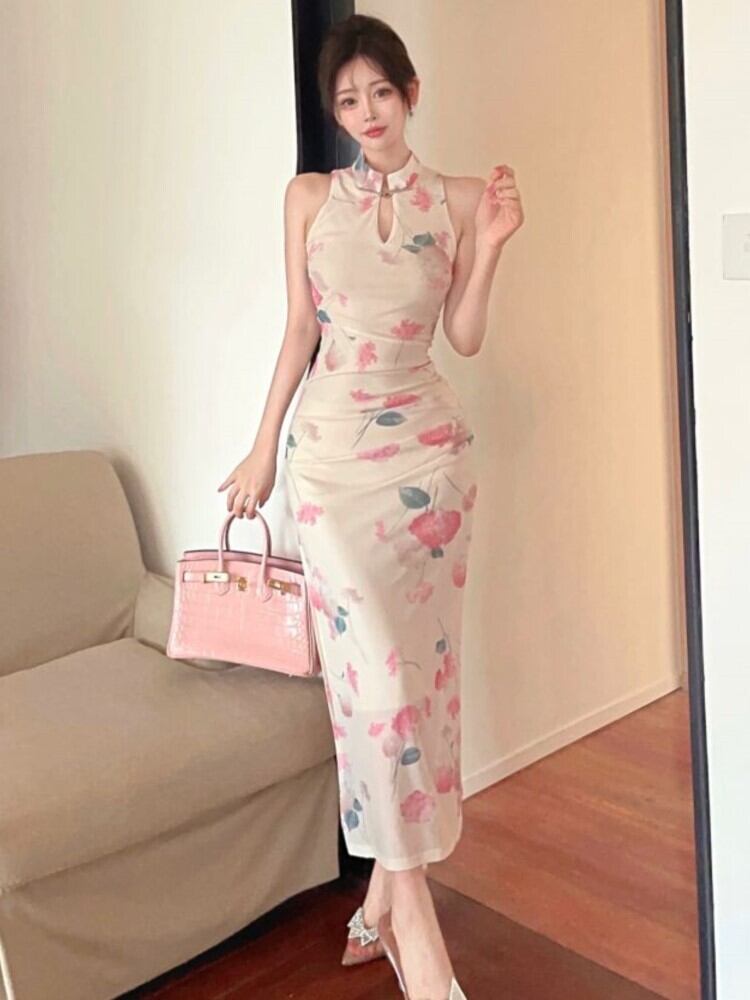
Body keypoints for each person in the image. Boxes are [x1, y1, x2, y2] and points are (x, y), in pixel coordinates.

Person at [217, 13, 523, 999]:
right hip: (331, 466)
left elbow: (463, 336)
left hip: (430, 465)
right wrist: (261, 447)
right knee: (375, 690)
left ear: (411, 92)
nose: (366, 114)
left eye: (380, 94)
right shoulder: (309, 197)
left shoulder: (460, 198)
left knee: (418, 686)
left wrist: (492, 247)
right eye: (348, 101)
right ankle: (416, 930)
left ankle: (388, 898)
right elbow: (299, 329)